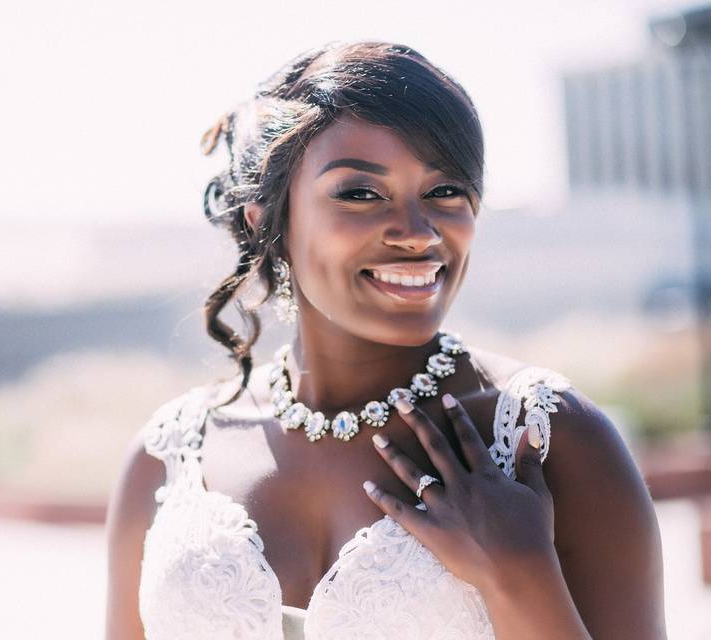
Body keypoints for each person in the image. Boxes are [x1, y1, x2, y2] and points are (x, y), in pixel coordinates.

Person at [104, 40, 666, 639]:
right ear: (265, 218)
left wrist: (520, 575)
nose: (417, 233)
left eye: (445, 190)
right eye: (361, 193)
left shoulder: (547, 439)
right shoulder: (170, 457)